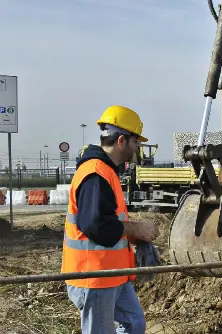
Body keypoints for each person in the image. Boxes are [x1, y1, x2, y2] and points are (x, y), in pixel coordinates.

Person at [61, 105, 160, 334]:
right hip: (94, 277)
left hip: (112, 274)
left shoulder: (106, 171)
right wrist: (135, 228)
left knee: (134, 324)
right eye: (136, 142)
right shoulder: (95, 173)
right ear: (121, 141)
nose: (137, 149)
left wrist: (132, 236)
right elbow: (96, 226)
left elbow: (106, 222)